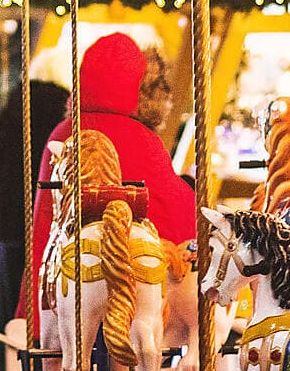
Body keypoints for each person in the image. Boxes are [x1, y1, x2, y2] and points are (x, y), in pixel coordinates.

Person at [26, 32, 194, 321]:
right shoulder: (141, 139)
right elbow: (170, 205)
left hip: (68, 279)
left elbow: (45, 219)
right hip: (129, 282)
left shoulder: (64, 132)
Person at [0, 43, 69, 371]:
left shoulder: (15, 105)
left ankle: (6, 370)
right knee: (34, 298)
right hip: (34, 217)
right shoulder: (60, 113)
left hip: (1, 218)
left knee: (3, 297)